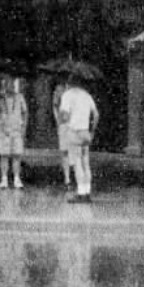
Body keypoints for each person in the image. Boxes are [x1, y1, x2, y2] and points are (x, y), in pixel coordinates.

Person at [57, 74, 98, 203]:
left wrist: (61, 116)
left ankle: (80, 193)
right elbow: (96, 115)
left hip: (74, 132)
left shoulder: (67, 95)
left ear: (69, 84)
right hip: (86, 132)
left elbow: (64, 116)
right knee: (86, 162)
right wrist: (92, 131)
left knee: (77, 163)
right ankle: (87, 191)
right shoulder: (87, 95)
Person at [0, 77, 28, 189]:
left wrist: (24, 128)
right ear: (4, 86)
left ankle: (17, 179)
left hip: (16, 130)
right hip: (2, 131)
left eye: (12, 86)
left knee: (16, 155)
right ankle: (4, 179)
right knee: (4, 155)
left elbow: (25, 113)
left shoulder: (20, 97)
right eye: (8, 85)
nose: (11, 88)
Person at [52, 81, 74, 189]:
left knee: (74, 150)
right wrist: (58, 121)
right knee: (64, 151)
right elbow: (55, 107)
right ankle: (67, 178)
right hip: (63, 124)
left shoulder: (75, 92)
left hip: (74, 124)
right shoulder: (58, 90)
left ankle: (74, 174)